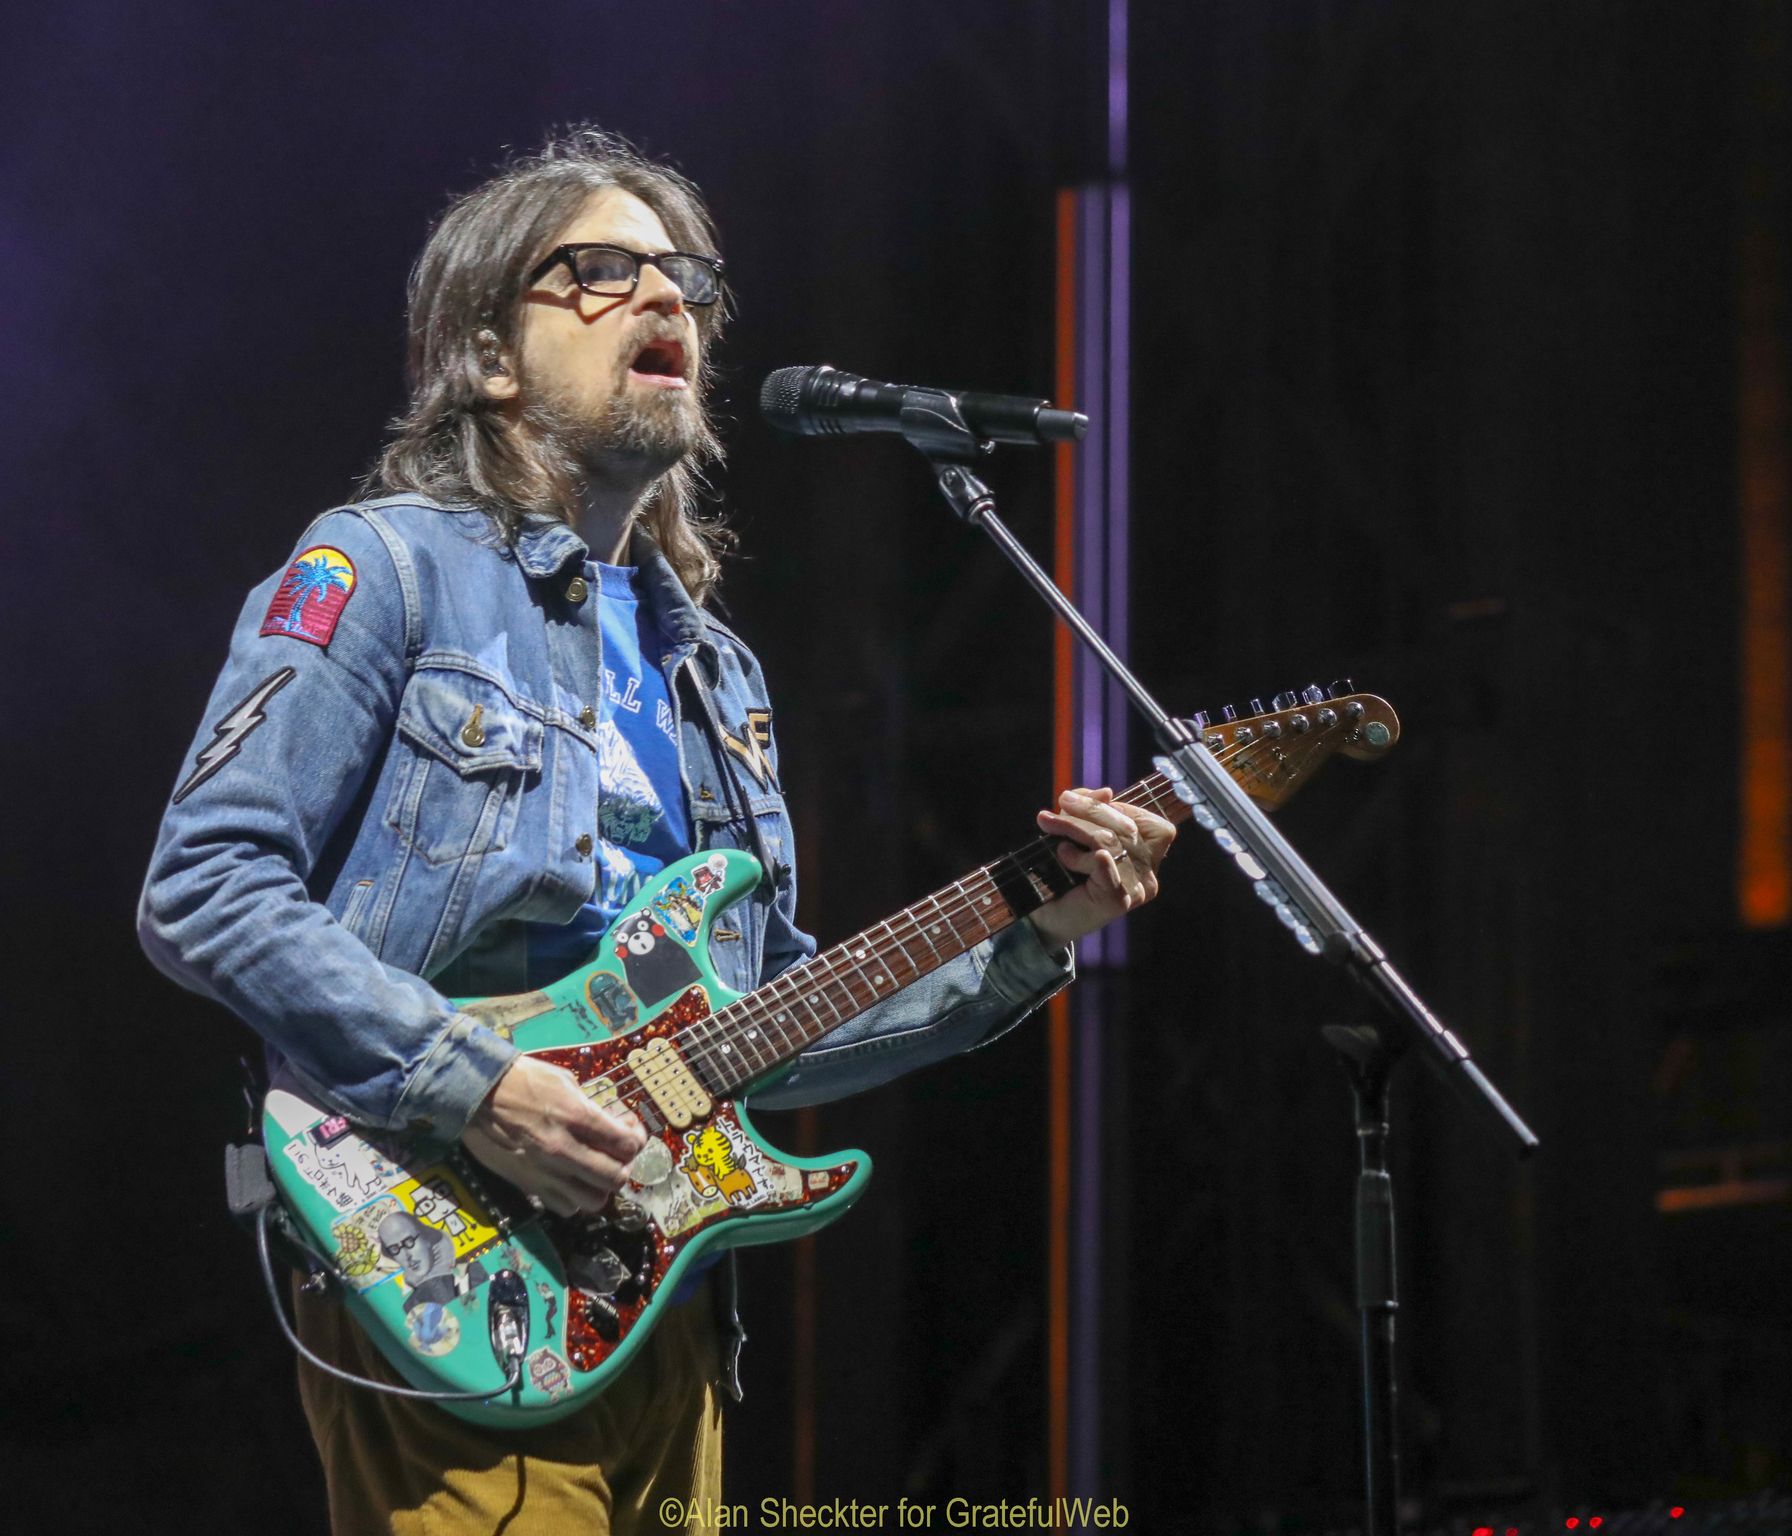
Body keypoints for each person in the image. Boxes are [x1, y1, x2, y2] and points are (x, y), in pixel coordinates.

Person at [138, 127, 1175, 1535]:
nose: (669, 299)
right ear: (488, 355)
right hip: (442, 1262)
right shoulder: (377, 568)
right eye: (603, 271)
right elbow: (205, 884)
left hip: (656, 1304)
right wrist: (477, 1085)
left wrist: (1031, 929)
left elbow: (769, 1021)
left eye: (686, 277)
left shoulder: (717, 673)